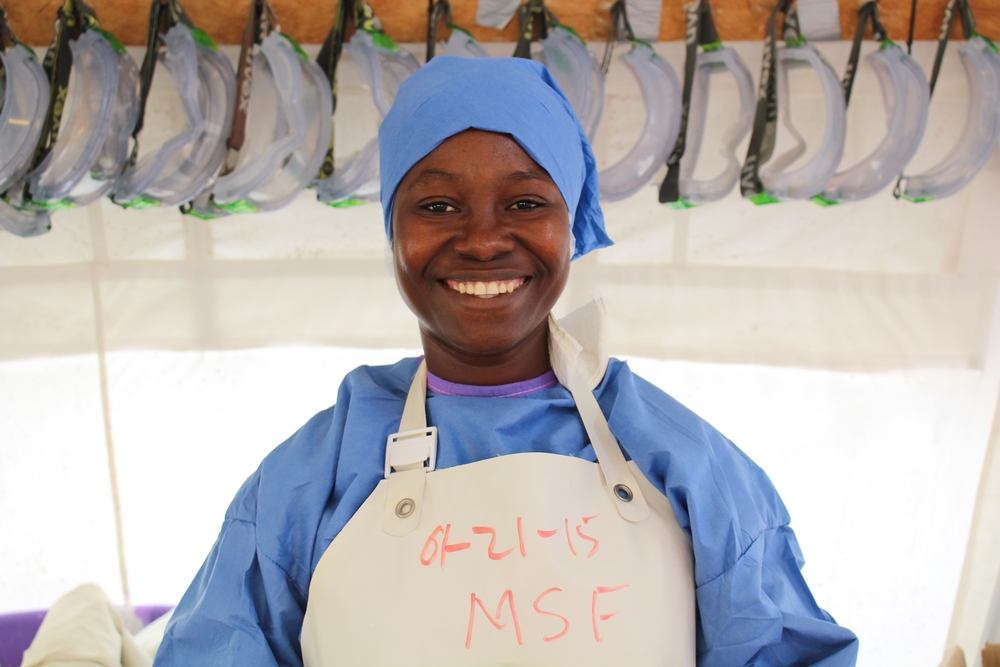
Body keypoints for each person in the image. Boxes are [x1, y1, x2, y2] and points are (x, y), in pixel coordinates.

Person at [153, 56, 859, 667]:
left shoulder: (688, 466)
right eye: (437, 203)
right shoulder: (306, 481)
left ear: (569, 219)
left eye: (525, 201)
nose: (485, 240)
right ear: (392, 228)